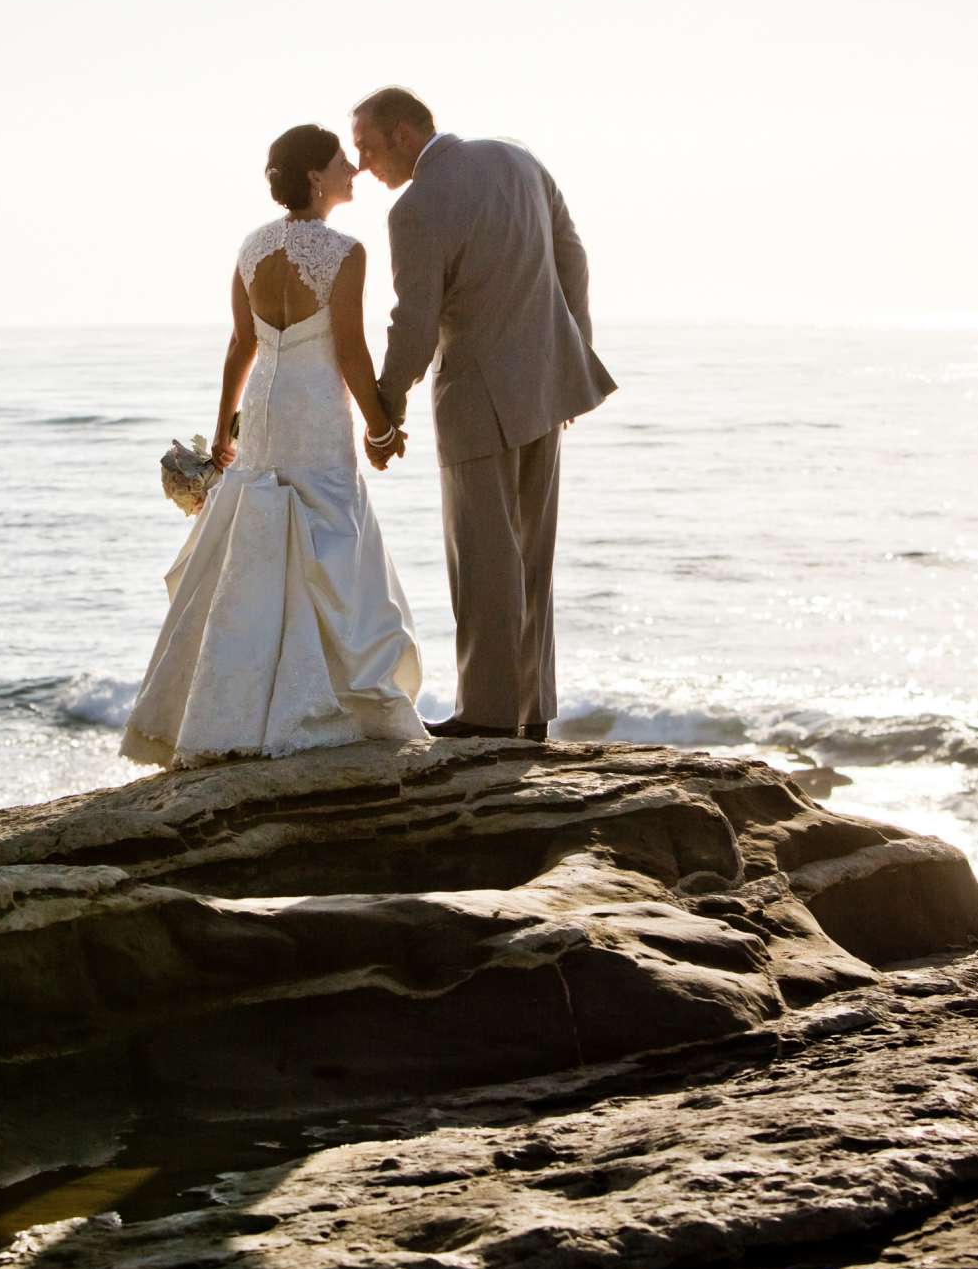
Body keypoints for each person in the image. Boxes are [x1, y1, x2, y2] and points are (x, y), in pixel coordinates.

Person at [122, 125, 425, 766]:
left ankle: (231, 710)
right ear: (316, 177)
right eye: (342, 160)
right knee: (328, 526)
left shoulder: (252, 246)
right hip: (314, 408)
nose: (353, 169)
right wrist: (380, 427)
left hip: (263, 405)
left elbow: (242, 344)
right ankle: (332, 706)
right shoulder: (346, 251)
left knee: (257, 539)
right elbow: (350, 350)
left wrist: (225, 421)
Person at [352, 87, 615, 742]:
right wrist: (571, 349)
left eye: (367, 147)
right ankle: (530, 717)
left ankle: (488, 717)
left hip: (475, 399)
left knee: (483, 559)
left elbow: (412, 323)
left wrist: (384, 411)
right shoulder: (516, 160)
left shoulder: (416, 207)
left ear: (407, 134)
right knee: (531, 558)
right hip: (546, 389)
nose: (362, 165)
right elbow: (572, 254)